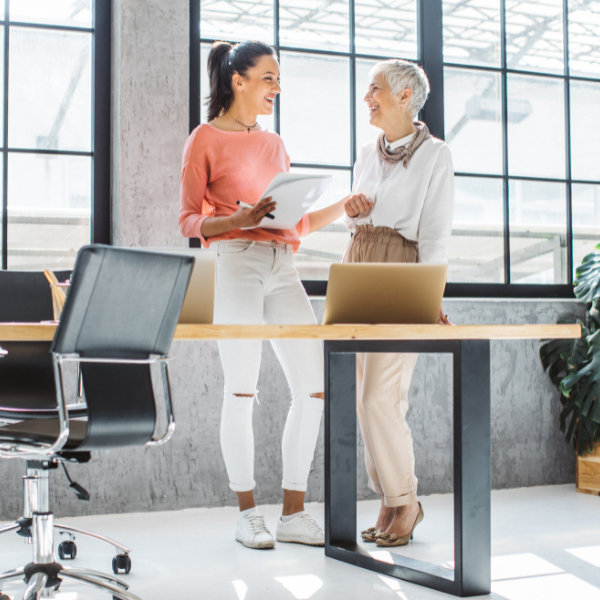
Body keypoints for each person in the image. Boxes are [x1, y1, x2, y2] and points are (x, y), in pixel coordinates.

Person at [179, 40, 345, 550]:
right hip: (235, 265)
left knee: (313, 386)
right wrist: (238, 219)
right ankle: (247, 512)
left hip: (281, 264)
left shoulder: (274, 144)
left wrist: (346, 206)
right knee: (241, 389)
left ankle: (294, 513)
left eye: (279, 79)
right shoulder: (203, 139)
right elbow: (188, 220)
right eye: (269, 77)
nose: (277, 87)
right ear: (239, 80)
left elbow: (293, 223)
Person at [342, 59, 455, 547]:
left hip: (401, 269)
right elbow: (356, 218)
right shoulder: (368, 151)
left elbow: (434, 233)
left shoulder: (436, 155)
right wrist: (351, 212)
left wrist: (431, 294)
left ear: (406, 96)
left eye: (376, 89)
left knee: (381, 397)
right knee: (362, 401)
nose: (367, 97)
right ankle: (389, 498)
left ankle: (407, 499)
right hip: (358, 262)